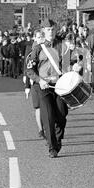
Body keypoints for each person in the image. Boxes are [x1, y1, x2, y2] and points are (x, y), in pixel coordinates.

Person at [26, 19, 68, 158]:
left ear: (55, 30)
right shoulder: (38, 48)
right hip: (43, 87)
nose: (51, 32)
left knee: (61, 115)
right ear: (43, 31)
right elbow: (30, 70)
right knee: (48, 117)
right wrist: (39, 80)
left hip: (59, 86)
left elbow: (68, 65)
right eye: (48, 29)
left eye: (52, 29)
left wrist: (74, 67)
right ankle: (52, 147)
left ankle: (58, 139)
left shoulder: (62, 47)